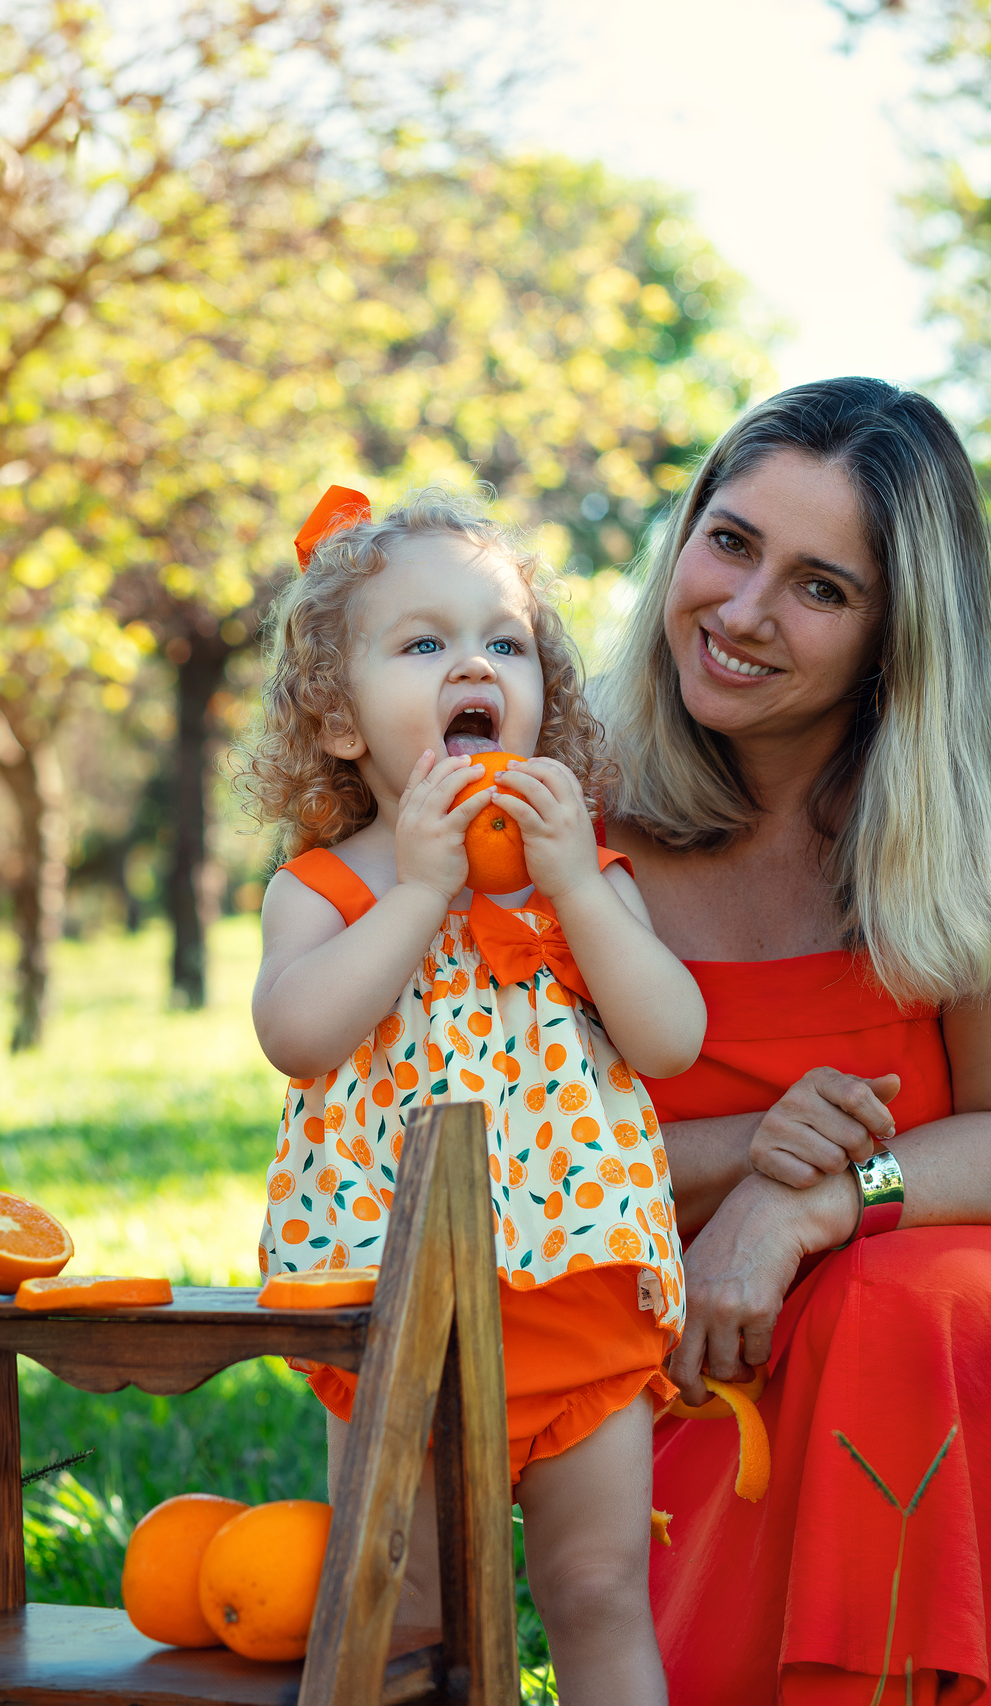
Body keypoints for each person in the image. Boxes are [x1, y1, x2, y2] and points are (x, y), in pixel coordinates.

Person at [596, 378, 991, 1706]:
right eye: (730, 542)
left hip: (962, 1271)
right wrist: (751, 1156)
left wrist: (812, 1201)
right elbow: (499, 1159)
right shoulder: (570, 802)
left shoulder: (978, 791)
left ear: (897, 635)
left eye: (820, 588)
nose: (743, 612)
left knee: (905, 1303)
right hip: (661, 1293)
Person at [243, 487, 705, 1706]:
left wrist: (580, 889)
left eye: (506, 641)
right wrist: (417, 893)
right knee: (408, 1604)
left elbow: (671, 1040)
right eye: (424, 643)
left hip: (575, 1287)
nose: (474, 665)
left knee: (598, 1587)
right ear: (339, 720)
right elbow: (295, 1033)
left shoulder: (578, 878)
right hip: (390, 1303)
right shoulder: (327, 888)